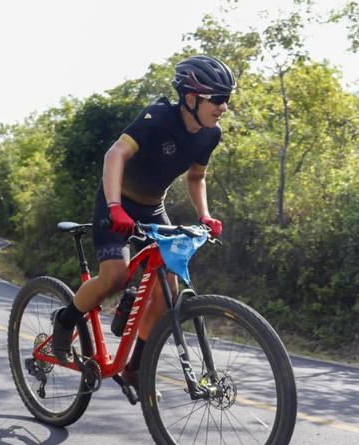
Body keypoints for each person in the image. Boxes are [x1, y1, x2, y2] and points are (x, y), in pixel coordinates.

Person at [50, 55, 236, 391]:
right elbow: (114, 155)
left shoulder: (210, 135)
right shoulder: (158, 117)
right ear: (192, 98)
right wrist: (115, 206)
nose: (224, 107)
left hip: (152, 208)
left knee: (169, 295)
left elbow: (197, 177)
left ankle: (134, 369)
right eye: (218, 99)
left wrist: (205, 215)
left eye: (227, 100)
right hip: (117, 203)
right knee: (115, 277)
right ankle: (65, 322)